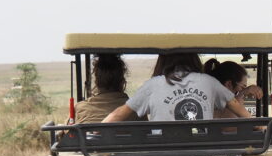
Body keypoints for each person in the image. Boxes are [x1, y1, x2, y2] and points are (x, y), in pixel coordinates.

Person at [102, 52, 252, 122]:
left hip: (164, 150)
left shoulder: (153, 85)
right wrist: (260, 126)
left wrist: (93, 132)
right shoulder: (209, 82)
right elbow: (237, 108)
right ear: (194, 58)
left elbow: (118, 114)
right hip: (201, 148)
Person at [74, 54, 128, 123]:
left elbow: (66, 131)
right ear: (122, 82)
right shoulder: (136, 109)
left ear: (97, 82)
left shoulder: (80, 108)